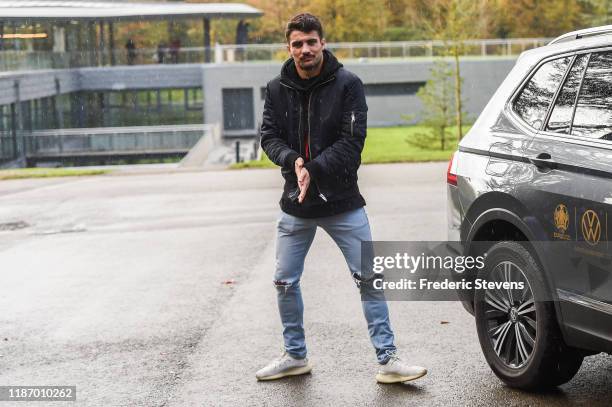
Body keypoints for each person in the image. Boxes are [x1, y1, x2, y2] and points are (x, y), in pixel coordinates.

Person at [256, 13, 427, 384]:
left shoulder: (348, 84)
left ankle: (389, 360)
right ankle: (295, 356)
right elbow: (269, 137)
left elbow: (352, 145)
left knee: (369, 278)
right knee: (284, 281)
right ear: (289, 48)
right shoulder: (275, 88)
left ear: (323, 43)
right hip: (295, 204)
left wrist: (312, 169)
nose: (305, 50)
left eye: (311, 42)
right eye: (298, 44)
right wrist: (294, 161)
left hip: (342, 203)